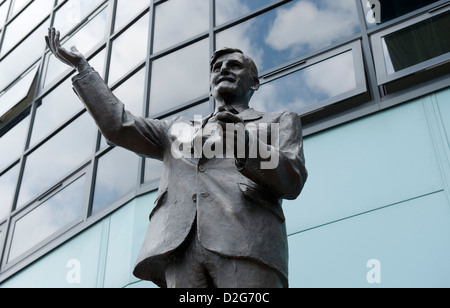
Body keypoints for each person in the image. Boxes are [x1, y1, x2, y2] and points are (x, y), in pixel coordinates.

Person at [45, 27, 308, 288]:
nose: (223, 69)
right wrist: (83, 69)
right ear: (210, 84)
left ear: (254, 82)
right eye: (217, 67)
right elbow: (118, 125)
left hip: (247, 245)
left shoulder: (277, 121)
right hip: (181, 252)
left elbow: (292, 178)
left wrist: (245, 142)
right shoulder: (177, 130)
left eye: (235, 66)